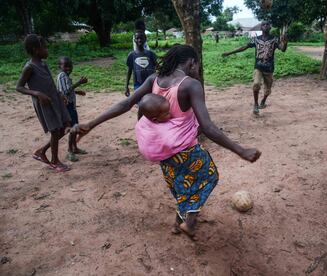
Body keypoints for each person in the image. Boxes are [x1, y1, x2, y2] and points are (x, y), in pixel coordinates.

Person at [71, 45, 261, 239]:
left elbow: (126, 104)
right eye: (197, 65)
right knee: (208, 177)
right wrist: (241, 150)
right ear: (191, 63)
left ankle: (177, 224)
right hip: (186, 150)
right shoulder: (191, 85)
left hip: (163, 151)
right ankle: (190, 222)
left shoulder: (154, 79)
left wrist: (92, 123)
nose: (198, 70)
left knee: (182, 187)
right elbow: (208, 127)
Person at [16, 34, 71, 172]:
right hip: (44, 103)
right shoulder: (29, 67)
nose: (47, 50)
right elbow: (19, 87)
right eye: (45, 48)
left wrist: (60, 94)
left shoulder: (43, 64)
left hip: (54, 100)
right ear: (36, 50)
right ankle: (55, 161)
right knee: (54, 131)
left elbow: (50, 83)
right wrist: (37, 93)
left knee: (65, 126)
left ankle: (42, 151)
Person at [222, 21, 288, 115]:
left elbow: (282, 49)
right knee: (256, 84)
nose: (265, 26)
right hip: (258, 67)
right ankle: (256, 104)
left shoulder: (274, 39)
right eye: (263, 25)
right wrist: (230, 52)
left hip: (269, 69)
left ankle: (263, 101)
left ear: (270, 27)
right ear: (261, 28)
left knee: (267, 90)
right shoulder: (256, 39)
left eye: (267, 24)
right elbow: (244, 46)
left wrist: (285, 43)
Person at [56, 56, 88, 162]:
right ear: (60, 66)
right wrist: (79, 82)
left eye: (70, 66)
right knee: (72, 129)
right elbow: (64, 92)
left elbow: (66, 90)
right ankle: (70, 151)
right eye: (65, 66)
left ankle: (75, 148)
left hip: (71, 107)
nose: (68, 68)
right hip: (67, 108)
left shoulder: (65, 76)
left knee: (75, 128)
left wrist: (77, 92)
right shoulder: (62, 76)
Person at [125, 31, 157, 97]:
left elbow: (157, 67)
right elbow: (129, 72)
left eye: (141, 38)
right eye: (137, 38)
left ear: (145, 39)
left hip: (152, 83)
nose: (139, 40)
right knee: (140, 102)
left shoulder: (151, 54)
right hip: (138, 84)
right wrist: (126, 87)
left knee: (151, 101)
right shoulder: (131, 55)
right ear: (134, 40)